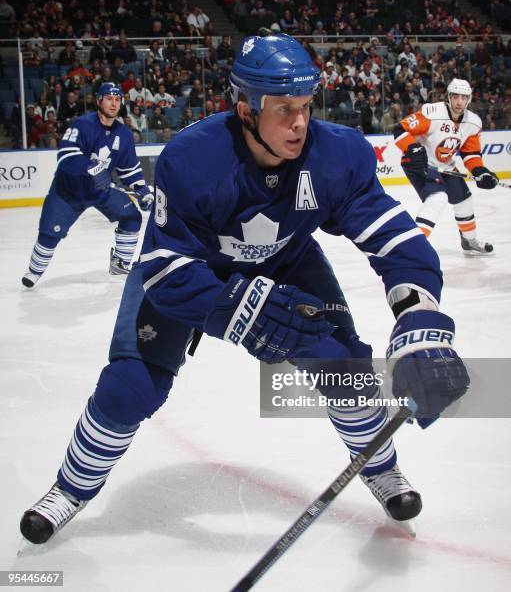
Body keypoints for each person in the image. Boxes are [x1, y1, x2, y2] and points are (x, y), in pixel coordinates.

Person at [20, 35, 469, 544]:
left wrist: (419, 318)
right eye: (283, 110)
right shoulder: (191, 158)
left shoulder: (338, 154)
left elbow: (396, 239)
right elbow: (166, 267)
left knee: (346, 369)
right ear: (245, 109)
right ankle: (70, 489)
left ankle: (380, 467)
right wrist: (233, 310)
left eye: (304, 106)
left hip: (287, 261)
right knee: (130, 387)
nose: (299, 123)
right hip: (191, 272)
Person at [21, 83, 154, 289]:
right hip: (68, 191)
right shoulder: (81, 125)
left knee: (131, 216)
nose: (114, 103)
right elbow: (65, 155)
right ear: (99, 101)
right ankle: (34, 271)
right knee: (49, 233)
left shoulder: (124, 135)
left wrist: (142, 190)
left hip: (100, 191)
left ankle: (120, 264)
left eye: (117, 99)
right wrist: (92, 168)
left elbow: (130, 169)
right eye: (109, 98)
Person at [394, 78, 499, 255]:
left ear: (469, 99)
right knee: (438, 197)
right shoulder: (432, 112)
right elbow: (400, 129)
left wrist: (480, 171)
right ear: (449, 97)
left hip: (446, 166)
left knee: (464, 200)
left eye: (464, 97)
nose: (459, 101)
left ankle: (469, 240)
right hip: (420, 163)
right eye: (455, 96)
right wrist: (412, 148)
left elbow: (470, 153)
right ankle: (414, 246)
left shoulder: (473, 123)